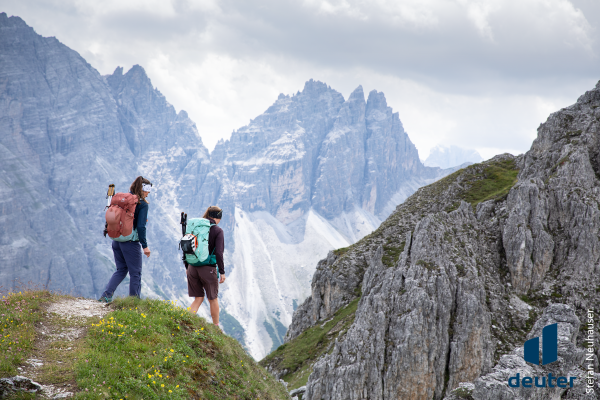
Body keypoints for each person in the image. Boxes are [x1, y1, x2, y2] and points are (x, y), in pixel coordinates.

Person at [98, 176, 152, 302]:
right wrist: (145, 246)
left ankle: (106, 295)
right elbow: (141, 226)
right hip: (130, 243)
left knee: (121, 269)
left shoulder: (124, 201)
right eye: (147, 190)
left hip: (117, 240)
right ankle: (134, 302)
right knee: (135, 273)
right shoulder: (142, 204)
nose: (148, 194)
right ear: (142, 189)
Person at [187, 206, 226, 326]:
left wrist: (189, 266)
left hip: (192, 267)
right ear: (218, 216)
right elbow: (219, 253)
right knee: (212, 299)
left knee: (198, 298)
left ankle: (185, 321)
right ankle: (216, 327)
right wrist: (222, 272)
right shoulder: (218, 230)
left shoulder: (196, 228)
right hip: (208, 268)